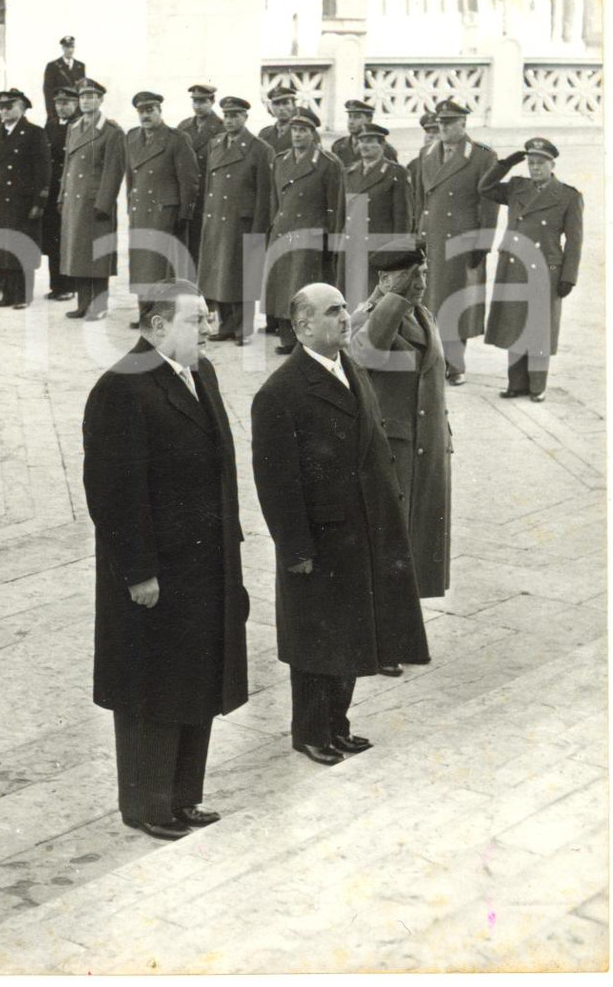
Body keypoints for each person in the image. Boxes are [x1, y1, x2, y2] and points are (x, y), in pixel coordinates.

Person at [83, 280, 248, 839]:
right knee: (150, 690)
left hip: (204, 568)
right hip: (154, 575)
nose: (208, 329)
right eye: (196, 320)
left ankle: (182, 798)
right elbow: (112, 491)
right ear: (157, 327)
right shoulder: (122, 388)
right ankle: (146, 805)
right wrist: (139, 571)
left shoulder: (201, 374)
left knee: (194, 682)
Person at [251, 283, 430, 765]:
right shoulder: (280, 393)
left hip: (361, 530)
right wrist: (296, 550)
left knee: (350, 633)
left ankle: (338, 726)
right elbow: (276, 484)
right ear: (304, 325)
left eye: (345, 307)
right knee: (316, 642)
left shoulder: (348, 367)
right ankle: (310, 732)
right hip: (320, 541)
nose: (347, 317)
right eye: (333, 311)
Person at [349, 248, 452, 608]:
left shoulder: (423, 314)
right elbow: (366, 355)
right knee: (389, 539)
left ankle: (404, 627)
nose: (421, 283)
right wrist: (394, 297)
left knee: (417, 541)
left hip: (427, 446)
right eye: (412, 276)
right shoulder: (368, 316)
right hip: (394, 449)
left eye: (424, 273)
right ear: (384, 279)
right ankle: (384, 635)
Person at [479, 138, 583, 403]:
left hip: (545, 269)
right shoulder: (517, 187)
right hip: (514, 265)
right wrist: (506, 163)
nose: (535, 168)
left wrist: (568, 277)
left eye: (541, 163)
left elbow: (574, 240)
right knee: (514, 323)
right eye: (531, 163)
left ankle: (537, 386)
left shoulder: (568, 196)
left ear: (552, 165)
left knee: (538, 327)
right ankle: (516, 384)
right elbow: (485, 188)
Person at [412, 98, 498, 385]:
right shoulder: (427, 152)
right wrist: (418, 233)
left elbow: (489, 205)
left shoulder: (483, 156)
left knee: (455, 304)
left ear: (464, 123)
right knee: (428, 301)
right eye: (441, 122)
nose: (444, 127)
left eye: (450, 122)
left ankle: (455, 364)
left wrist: (482, 245)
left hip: (462, 242)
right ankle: (432, 360)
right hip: (432, 238)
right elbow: (422, 200)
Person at [263, 108, 345, 354]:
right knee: (282, 287)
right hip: (284, 231)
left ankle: (307, 341)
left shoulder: (327, 163)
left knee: (305, 288)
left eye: (303, 130)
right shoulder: (280, 161)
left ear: (313, 133)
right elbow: (274, 201)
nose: (297, 135)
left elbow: (335, 206)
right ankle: (288, 338)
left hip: (311, 233)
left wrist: (332, 241)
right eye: (294, 130)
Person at [197, 97, 273, 346]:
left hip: (242, 222)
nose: (230, 121)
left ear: (245, 118)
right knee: (220, 273)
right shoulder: (216, 143)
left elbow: (265, 194)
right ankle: (227, 325)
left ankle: (244, 328)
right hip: (218, 219)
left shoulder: (259, 149)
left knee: (241, 275)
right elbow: (210, 186)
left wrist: (259, 229)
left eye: (235, 116)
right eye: (227, 116)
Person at [125, 92, 200, 322]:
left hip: (165, 212)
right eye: (141, 111)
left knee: (162, 266)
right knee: (141, 263)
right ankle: (145, 312)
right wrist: (131, 206)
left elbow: (190, 179)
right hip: (141, 210)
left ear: (159, 111)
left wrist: (184, 213)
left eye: (150, 110)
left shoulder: (176, 138)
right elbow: (131, 177)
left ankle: (164, 313)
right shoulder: (131, 137)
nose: (145, 116)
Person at [60, 78, 125, 322]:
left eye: (91, 96)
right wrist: (61, 195)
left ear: (101, 100)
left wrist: (104, 203)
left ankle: (99, 305)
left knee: (98, 256)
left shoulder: (111, 131)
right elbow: (68, 166)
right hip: (75, 202)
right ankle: (83, 303)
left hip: (96, 203)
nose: (86, 101)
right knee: (77, 253)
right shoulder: (74, 127)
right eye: (82, 97)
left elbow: (113, 171)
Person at [0, 89, 52, 309]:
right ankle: (7, 294)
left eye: (9, 106)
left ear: (22, 108)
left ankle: (23, 295)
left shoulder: (34, 133)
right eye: (1, 107)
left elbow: (43, 171)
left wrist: (38, 203)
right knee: (3, 248)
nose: (4, 111)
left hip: (21, 202)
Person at [339, 122, 414, 303]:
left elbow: (402, 218)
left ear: (382, 145)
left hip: (378, 248)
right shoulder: (349, 173)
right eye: (361, 141)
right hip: (351, 246)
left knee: (374, 300)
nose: (364, 145)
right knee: (350, 299)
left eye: (370, 141)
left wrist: (397, 254)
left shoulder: (395, 173)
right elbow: (341, 214)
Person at [178, 84, 224, 268]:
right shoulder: (184, 126)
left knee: (205, 247)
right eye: (195, 101)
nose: (197, 105)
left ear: (212, 101)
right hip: (188, 197)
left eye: (202, 101)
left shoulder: (221, 128)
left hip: (208, 195)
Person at [42, 86, 79, 300]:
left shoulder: (79, 126)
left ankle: (69, 286)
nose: (61, 107)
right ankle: (56, 285)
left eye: (66, 103)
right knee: (53, 239)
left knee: (68, 239)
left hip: (68, 188)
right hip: (52, 190)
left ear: (75, 105)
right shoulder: (51, 125)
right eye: (58, 103)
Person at [331, 99, 399, 167]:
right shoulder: (338, 146)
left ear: (369, 120)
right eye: (350, 117)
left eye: (357, 117)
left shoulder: (383, 148)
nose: (351, 122)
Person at [43, 34, 85, 120]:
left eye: (72, 47)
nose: (70, 50)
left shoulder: (80, 66)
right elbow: (48, 90)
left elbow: (82, 88)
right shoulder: (53, 66)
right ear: (62, 48)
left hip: (75, 109)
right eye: (67, 47)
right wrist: (51, 112)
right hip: (60, 107)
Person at [257, 83, 297, 158]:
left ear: (294, 105)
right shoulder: (264, 134)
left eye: (285, 103)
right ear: (271, 107)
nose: (281, 108)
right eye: (276, 104)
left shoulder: (305, 132)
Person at [407, 111, 440, 187]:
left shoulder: (451, 160)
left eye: (435, 132)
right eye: (428, 132)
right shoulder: (414, 165)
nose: (430, 136)